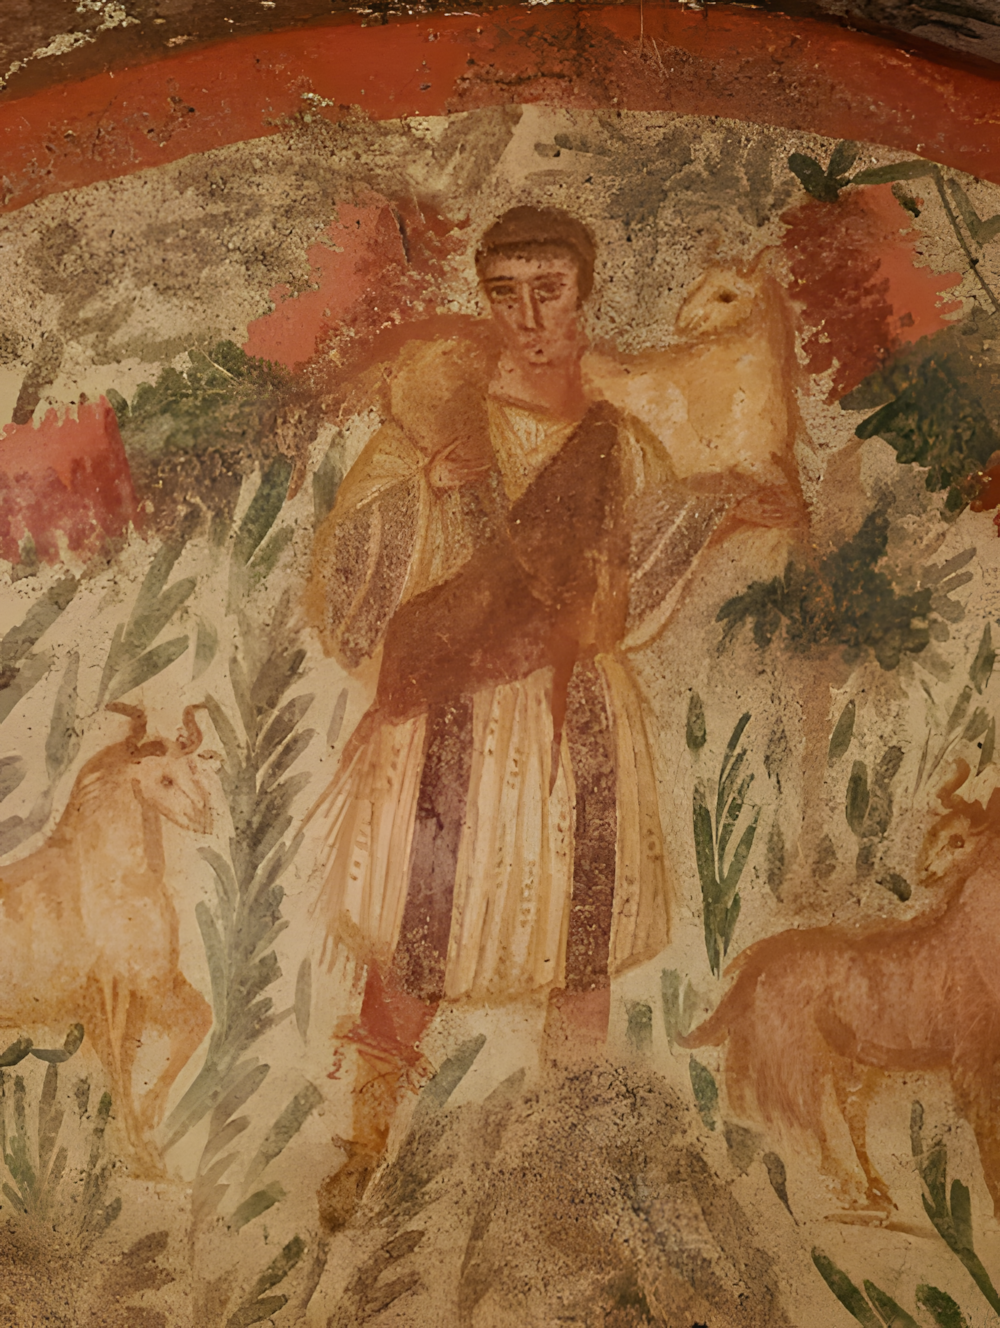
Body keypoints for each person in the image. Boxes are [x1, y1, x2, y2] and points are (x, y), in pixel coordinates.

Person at [303, 205, 803, 1225]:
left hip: (577, 716)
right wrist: (424, 493)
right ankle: (364, 1147)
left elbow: (630, 570)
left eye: (549, 292)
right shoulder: (441, 422)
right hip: (453, 721)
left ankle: (566, 1155)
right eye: (506, 294)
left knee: (581, 938)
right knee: (419, 933)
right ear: (486, 301)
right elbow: (346, 566)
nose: (528, 317)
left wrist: (720, 510)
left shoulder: (618, 438)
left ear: (583, 295)